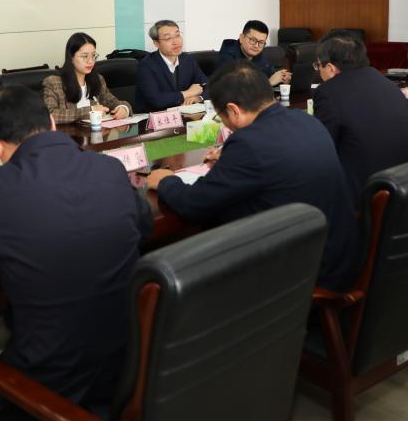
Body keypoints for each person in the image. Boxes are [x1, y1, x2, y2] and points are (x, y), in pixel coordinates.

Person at [0, 86, 152, 421]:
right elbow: (144, 227)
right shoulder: (108, 167)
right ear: (52, 122)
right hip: (127, 367)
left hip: (48, 385)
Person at [145, 61, 360, 290]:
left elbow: (195, 203)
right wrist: (231, 160)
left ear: (234, 111)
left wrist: (165, 180)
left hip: (300, 275)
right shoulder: (306, 120)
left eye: (221, 116)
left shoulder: (249, 143)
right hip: (338, 257)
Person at [313, 34, 408, 207]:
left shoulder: (328, 92)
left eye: (318, 66)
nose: (319, 72)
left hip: (367, 194)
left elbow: (322, 149)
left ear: (331, 68)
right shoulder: (388, 84)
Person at [42, 32, 132, 124]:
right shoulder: (54, 83)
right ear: (71, 58)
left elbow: (114, 102)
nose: (90, 61)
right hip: (69, 133)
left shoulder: (98, 79)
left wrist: (123, 108)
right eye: (85, 56)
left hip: (96, 132)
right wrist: (90, 111)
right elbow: (49, 115)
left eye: (93, 55)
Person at [134, 20, 207, 113]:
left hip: (184, 115)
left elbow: (207, 86)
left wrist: (198, 97)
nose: (176, 42)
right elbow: (157, 100)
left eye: (178, 35)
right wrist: (188, 93)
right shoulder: (146, 66)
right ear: (156, 43)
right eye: (168, 38)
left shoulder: (188, 60)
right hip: (154, 118)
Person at [215, 20, 291, 86]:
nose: (256, 46)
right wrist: (268, 83)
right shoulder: (227, 56)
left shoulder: (258, 55)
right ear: (241, 38)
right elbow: (235, 88)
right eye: (253, 40)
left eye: (261, 42)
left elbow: (272, 74)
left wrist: (284, 78)